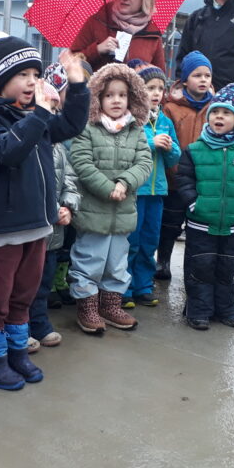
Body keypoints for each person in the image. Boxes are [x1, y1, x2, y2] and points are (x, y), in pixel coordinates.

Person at [0, 37, 89, 390]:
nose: (30, 81)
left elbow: (71, 125)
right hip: (6, 228)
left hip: (39, 226)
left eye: (35, 74)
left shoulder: (34, 117)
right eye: (22, 73)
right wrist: (39, 113)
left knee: (23, 295)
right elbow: (7, 151)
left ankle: (16, 351)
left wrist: (78, 83)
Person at [68, 63, 153, 333]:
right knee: (89, 259)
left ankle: (110, 304)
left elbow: (144, 162)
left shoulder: (135, 130)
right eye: (109, 95)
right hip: (94, 209)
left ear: (132, 98)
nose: (116, 100)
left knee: (117, 261)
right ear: (98, 98)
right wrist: (108, 187)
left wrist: (125, 183)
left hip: (124, 211)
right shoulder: (88, 128)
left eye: (122, 95)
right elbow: (81, 162)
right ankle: (88, 307)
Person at [176, 83, 234, 329]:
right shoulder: (195, 150)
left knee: (225, 268)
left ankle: (225, 309)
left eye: (226, 113)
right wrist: (194, 204)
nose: (219, 117)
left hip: (231, 224)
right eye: (215, 112)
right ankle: (198, 310)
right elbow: (184, 179)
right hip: (200, 223)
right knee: (200, 267)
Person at [28, 81, 80, 349]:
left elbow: (70, 180)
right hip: (31, 231)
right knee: (25, 284)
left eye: (55, 109)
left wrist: (68, 206)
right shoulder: (30, 144)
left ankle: (40, 322)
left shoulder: (58, 147)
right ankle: (20, 326)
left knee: (44, 283)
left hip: (54, 233)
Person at [155, 50, 215, 280]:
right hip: (175, 179)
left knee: (197, 226)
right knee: (169, 224)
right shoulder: (171, 108)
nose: (203, 80)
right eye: (197, 75)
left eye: (207, 75)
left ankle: (193, 265)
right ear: (185, 80)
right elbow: (168, 140)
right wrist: (174, 170)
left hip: (202, 181)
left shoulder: (215, 107)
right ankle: (163, 261)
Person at [125, 62, 180, 307]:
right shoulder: (132, 120)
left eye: (160, 88)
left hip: (157, 192)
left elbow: (174, 155)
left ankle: (143, 286)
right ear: (138, 91)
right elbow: (127, 148)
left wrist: (169, 149)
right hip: (137, 191)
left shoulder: (165, 121)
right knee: (131, 242)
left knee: (149, 241)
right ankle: (123, 288)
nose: (156, 93)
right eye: (150, 88)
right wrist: (151, 142)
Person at [71, 0, 166, 73]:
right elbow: (71, 62)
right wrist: (97, 50)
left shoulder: (152, 35)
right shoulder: (97, 22)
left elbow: (159, 79)